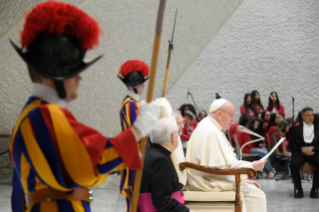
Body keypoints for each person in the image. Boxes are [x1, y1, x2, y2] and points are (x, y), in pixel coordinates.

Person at [8, 2, 160, 211]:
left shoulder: (35, 115)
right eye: (74, 71)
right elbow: (89, 163)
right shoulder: (42, 115)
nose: (79, 78)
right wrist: (139, 129)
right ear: (56, 76)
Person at [186, 98, 267, 212]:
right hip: (206, 182)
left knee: (252, 189)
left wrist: (244, 179)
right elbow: (222, 167)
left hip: (210, 176)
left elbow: (220, 165)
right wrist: (252, 166)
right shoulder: (211, 131)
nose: (233, 119)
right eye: (231, 115)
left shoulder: (211, 127)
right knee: (257, 195)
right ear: (219, 114)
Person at [139, 118, 191, 212]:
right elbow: (162, 202)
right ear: (173, 137)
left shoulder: (150, 153)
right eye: (178, 133)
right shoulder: (159, 160)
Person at [117, 59, 150, 210]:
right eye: (142, 83)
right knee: (134, 198)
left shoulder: (130, 103)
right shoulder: (131, 104)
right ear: (136, 86)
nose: (144, 85)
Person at [289, 107, 319, 199]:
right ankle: (299, 190)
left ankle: (314, 190)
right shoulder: (295, 129)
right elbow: (291, 145)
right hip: (299, 153)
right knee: (293, 164)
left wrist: (312, 148)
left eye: (312, 115)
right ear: (303, 116)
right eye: (308, 115)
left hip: (314, 153)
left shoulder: (318, 129)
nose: (311, 117)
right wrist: (302, 149)